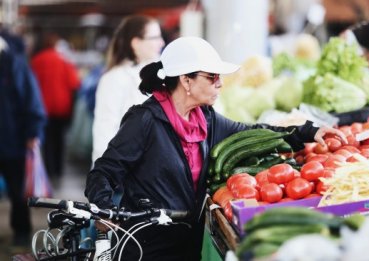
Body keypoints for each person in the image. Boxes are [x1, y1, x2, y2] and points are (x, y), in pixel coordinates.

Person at [85, 36, 347, 260]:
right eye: (211, 77)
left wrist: (307, 131)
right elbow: (104, 172)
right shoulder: (144, 120)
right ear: (186, 81)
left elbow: (253, 133)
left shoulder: (205, 118)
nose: (219, 83)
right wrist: (106, 209)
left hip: (188, 244)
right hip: (147, 246)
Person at [92, 15, 165, 163]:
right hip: (124, 172)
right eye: (155, 37)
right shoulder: (113, 79)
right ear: (136, 43)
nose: (162, 42)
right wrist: (105, 178)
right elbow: (104, 132)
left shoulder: (162, 74)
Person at [0, 31, 47, 248]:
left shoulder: (14, 63)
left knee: (18, 190)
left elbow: (32, 99)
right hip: (10, 138)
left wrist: (33, 133)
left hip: (13, 141)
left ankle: (21, 231)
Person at [31, 32, 81, 179]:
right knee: (60, 139)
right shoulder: (64, 60)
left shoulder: (36, 61)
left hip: (42, 107)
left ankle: (49, 169)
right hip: (61, 107)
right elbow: (74, 84)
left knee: (46, 140)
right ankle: (59, 170)